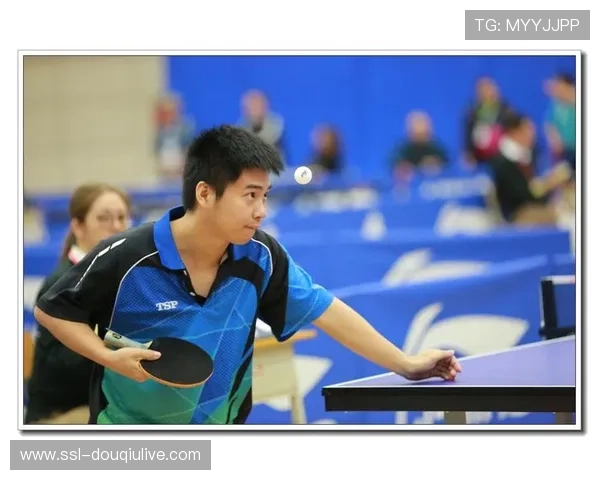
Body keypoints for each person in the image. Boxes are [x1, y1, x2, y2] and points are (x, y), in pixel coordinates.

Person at [33, 125, 461, 425]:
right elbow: (52, 310)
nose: (261, 211)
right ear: (205, 193)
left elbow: (325, 309)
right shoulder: (129, 255)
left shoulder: (260, 256)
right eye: (250, 196)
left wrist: (405, 364)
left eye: (265, 196)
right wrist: (107, 357)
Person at [26, 183, 132, 424]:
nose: (116, 226)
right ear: (78, 226)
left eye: (122, 217)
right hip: (64, 413)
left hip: (107, 404)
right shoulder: (62, 284)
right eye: (103, 218)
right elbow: (66, 369)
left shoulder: (126, 277)